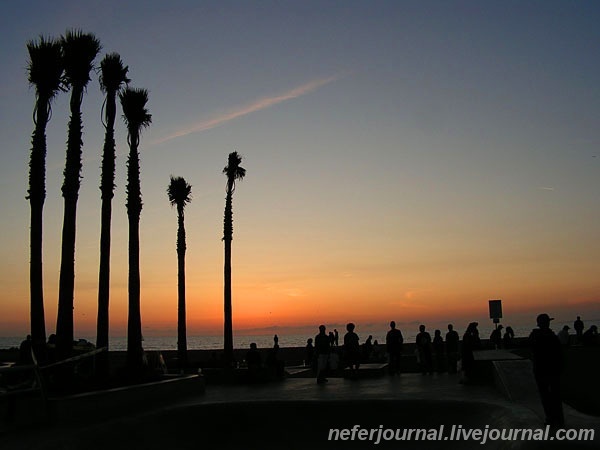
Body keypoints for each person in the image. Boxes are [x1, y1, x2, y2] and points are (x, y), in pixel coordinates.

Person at [529, 313, 564, 428]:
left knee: (548, 395)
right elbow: (558, 353)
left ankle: (553, 417)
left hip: (543, 370)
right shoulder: (550, 336)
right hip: (549, 370)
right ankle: (556, 418)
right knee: (553, 395)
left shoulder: (537, 336)